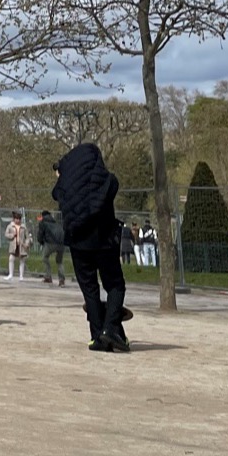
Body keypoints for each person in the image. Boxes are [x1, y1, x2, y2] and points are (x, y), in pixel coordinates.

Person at [53, 142, 129, 352]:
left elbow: (57, 193)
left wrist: (64, 175)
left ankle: (96, 335)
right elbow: (112, 186)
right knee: (115, 285)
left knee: (90, 290)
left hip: (78, 242)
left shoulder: (65, 186)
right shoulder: (108, 181)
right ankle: (110, 328)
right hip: (104, 241)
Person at [35, 209, 66, 286]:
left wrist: (41, 242)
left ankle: (48, 276)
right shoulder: (56, 223)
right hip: (61, 243)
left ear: (42, 216)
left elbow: (40, 235)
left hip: (50, 243)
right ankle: (61, 280)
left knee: (44, 258)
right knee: (59, 262)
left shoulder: (43, 223)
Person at [4, 211, 31, 280]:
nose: (18, 220)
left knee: (22, 260)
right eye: (16, 218)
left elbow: (27, 237)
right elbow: (6, 234)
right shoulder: (10, 226)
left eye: (19, 219)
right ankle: (10, 274)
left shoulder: (23, 227)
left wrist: (27, 244)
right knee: (11, 258)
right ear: (14, 219)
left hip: (21, 246)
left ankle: (21, 276)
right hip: (13, 245)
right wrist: (12, 235)